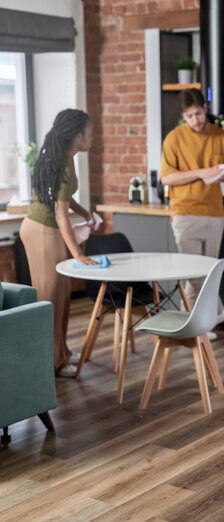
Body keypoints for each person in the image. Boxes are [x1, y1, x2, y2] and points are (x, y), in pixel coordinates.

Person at [20, 109, 98, 378]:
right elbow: (60, 214)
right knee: (48, 298)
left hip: (49, 229)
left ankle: (60, 353)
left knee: (62, 292)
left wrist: (85, 212)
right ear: (77, 136)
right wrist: (77, 254)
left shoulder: (66, 157)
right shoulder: (63, 164)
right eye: (90, 133)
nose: (93, 137)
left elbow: (63, 200)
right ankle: (49, 364)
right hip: (42, 230)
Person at [160, 88, 224, 334]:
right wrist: (200, 173)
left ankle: (196, 327)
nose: (196, 120)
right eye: (190, 116)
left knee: (209, 269)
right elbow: (167, 177)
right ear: (184, 115)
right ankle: (216, 311)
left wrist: (222, 173)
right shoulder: (173, 139)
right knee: (194, 271)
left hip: (214, 212)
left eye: (199, 113)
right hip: (184, 212)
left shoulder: (221, 136)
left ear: (206, 108)